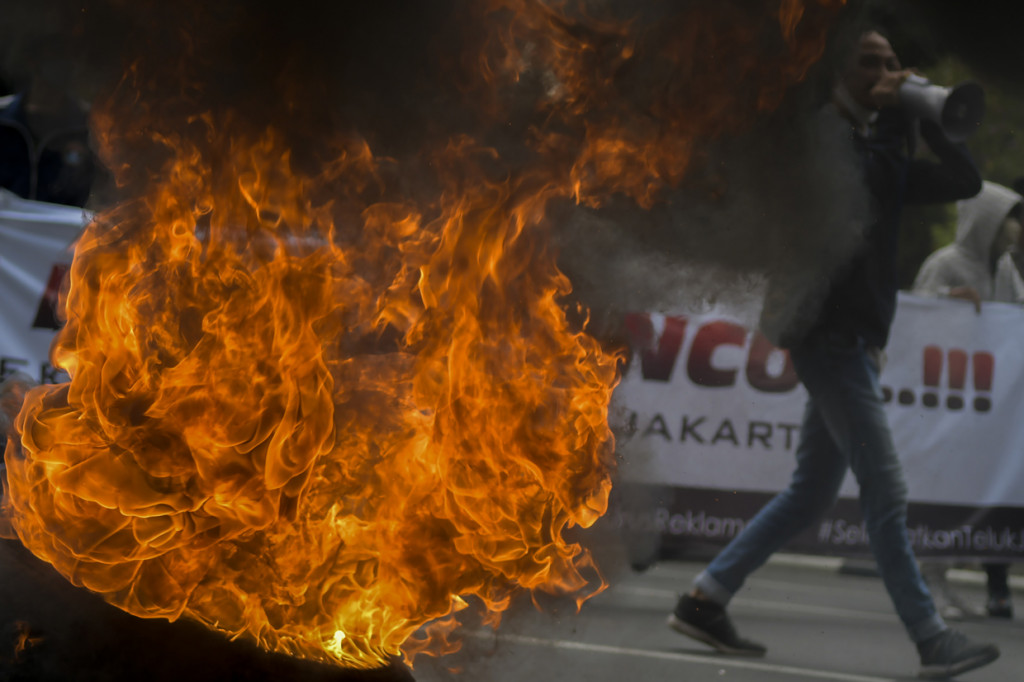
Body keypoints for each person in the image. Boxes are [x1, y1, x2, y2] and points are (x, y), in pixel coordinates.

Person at [666, 29, 1001, 679]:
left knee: (809, 494)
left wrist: (927, 112)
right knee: (886, 490)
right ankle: (931, 637)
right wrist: (896, 116)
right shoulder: (825, 136)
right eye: (870, 64)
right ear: (839, 74)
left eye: (893, 64)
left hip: (852, 340)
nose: (886, 72)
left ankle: (705, 599)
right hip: (828, 336)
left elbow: (964, 180)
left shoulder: (879, 142)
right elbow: (864, 182)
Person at [912, 181, 1023, 621]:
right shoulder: (945, 263)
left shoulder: (1004, 269)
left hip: (982, 402)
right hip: (945, 398)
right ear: (985, 221)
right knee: (939, 489)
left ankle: (942, 582)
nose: (1012, 228)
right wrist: (946, 301)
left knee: (962, 493)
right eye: (1006, 219)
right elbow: (914, 313)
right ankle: (930, 584)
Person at [0, 34, 98, 208]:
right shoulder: (4, 119)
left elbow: (105, 192)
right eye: (54, 58)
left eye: (67, 60)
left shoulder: (91, 125)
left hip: (66, 225)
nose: (61, 68)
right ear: (32, 63)